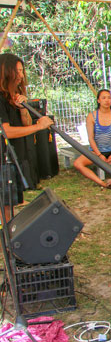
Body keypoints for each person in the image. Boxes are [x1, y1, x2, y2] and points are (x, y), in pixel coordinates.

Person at [0, 54, 53, 219]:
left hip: (14, 158)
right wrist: (38, 127)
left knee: (10, 206)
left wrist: (23, 108)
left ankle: (10, 241)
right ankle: (6, 243)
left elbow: (25, 122)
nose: (22, 76)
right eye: (18, 71)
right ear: (6, 72)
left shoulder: (12, 97)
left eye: (22, 71)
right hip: (3, 161)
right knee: (5, 208)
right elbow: (6, 131)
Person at [73, 88, 111, 188]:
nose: (107, 100)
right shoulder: (91, 116)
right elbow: (91, 138)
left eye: (109, 98)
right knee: (77, 163)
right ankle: (102, 183)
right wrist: (99, 155)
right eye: (103, 98)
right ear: (98, 100)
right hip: (96, 152)